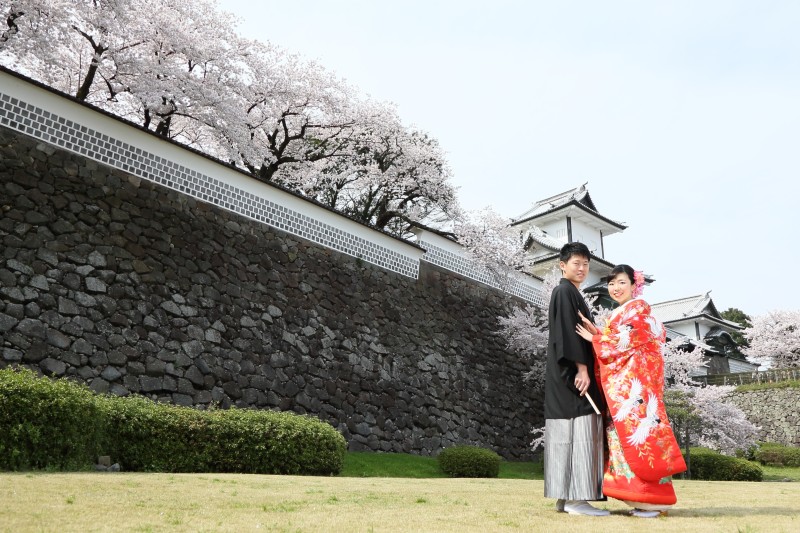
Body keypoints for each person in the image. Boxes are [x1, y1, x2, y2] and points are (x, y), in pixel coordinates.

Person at [576, 264, 687, 518]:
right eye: (612, 283)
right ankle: (644, 500)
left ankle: (651, 502)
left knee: (640, 440)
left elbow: (625, 341)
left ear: (634, 286)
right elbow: (617, 341)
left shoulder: (639, 310)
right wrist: (597, 334)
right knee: (628, 443)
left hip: (634, 390)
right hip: (629, 389)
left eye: (622, 283)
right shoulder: (621, 313)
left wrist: (595, 339)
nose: (615, 288)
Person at [544, 242, 609, 516]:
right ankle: (578, 498)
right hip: (572, 373)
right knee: (583, 426)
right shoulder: (563, 291)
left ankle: (565, 497)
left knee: (566, 430)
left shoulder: (571, 293)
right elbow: (568, 334)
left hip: (564, 373)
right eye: (576, 263)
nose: (581, 269)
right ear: (562, 265)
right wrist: (582, 368)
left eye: (585, 264)